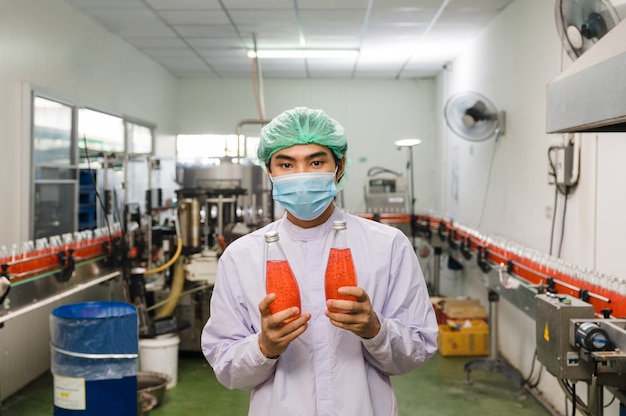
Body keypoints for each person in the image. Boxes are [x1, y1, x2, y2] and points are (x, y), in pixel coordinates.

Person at [201, 107, 438, 415]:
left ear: (338, 167)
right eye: (286, 164)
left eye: (315, 161)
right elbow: (226, 364)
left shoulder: (388, 245)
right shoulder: (241, 257)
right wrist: (264, 348)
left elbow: (418, 350)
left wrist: (375, 329)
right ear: (269, 171)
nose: (302, 175)